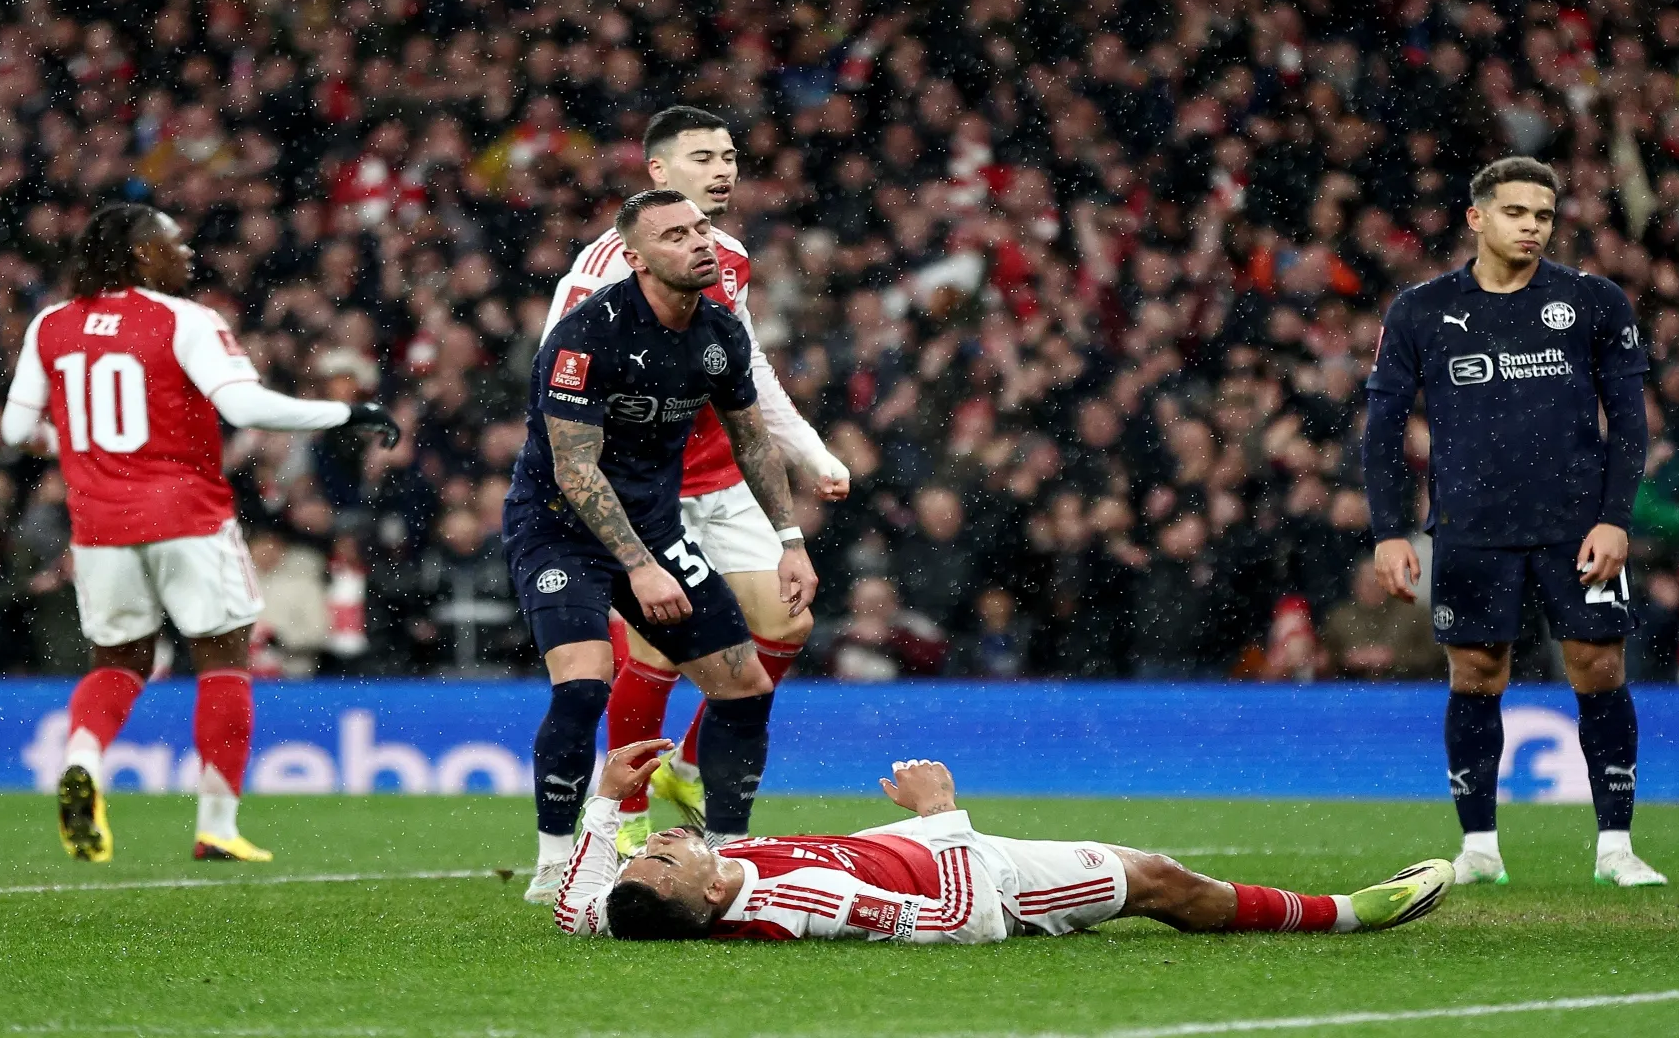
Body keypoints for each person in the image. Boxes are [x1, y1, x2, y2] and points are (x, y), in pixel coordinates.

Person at [0, 203, 400, 863]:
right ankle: (217, 823)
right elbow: (242, 405)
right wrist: (349, 411)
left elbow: (16, 432)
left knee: (119, 663)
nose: (185, 252)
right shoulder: (185, 320)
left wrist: (75, 441)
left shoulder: (51, 324)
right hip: (188, 516)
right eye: (172, 241)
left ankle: (83, 763)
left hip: (99, 525)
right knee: (222, 660)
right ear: (138, 254)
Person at [545, 106, 850, 855]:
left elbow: (747, 374)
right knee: (657, 648)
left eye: (730, 155)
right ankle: (622, 818)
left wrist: (809, 451)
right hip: (648, 489)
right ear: (658, 173)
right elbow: (556, 383)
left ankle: (685, 764)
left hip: (723, 478)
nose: (723, 170)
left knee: (787, 624)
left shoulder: (730, 257)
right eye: (703, 157)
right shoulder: (596, 275)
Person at [506, 190, 818, 904]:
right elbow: (576, 470)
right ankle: (558, 859)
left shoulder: (719, 332)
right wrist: (641, 568)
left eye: (702, 228)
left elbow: (751, 439)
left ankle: (735, 856)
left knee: (744, 690)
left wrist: (790, 542)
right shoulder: (589, 335)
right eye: (677, 235)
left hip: (653, 529)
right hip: (559, 528)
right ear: (638, 259)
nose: (701, 242)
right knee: (583, 685)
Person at [1362, 157, 1667, 887]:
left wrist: (1615, 519)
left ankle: (1617, 847)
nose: (1532, 226)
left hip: (1575, 526)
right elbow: (1382, 427)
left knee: (1598, 667)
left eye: (1544, 215)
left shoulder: (1593, 302)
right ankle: (1480, 849)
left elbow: (1628, 422)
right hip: (1471, 526)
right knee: (1476, 675)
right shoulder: (1421, 310)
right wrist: (1387, 530)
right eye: (1516, 213)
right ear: (1477, 218)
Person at [550, 741, 1454, 942]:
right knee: (1159, 879)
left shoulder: (639, 904)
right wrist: (943, 813)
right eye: (663, 854)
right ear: (712, 896)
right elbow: (957, 920)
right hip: (987, 879)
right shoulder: (803, 905)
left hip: (886, 842)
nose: (652, 848)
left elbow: (571, 909)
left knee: (1154, 875)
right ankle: (1344, 914)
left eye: (647, 852)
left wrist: (602, 810)